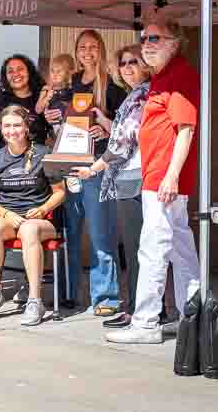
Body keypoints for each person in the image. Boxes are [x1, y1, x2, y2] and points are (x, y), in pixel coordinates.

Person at [106, 17, 200, 344]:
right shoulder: (162, 77)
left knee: (153, 247)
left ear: (175, 42)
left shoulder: (180, 76)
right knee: (180, 248)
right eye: (144, 37)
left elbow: (186, 129)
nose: (147, 43)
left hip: (163, 178)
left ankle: (145, 321)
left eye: (156, 38)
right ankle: (193, 316)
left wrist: (171, 175)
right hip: (159, 176)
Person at [72, 44, 150, 329]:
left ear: (146, 65)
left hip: (139, 178)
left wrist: (94, 167)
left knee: (139, 248)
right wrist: (104, 122)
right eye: (123, 63)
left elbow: (121, 143)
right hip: (128, 179)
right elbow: (119, 134)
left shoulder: (144, 95)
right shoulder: (134, 95)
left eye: (134, 62)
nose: (128, 68)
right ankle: (139, 309)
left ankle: (139, 312)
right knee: (134, 248)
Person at [53, 30, 126, 315]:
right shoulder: (69, 84)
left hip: (97, 167)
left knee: (100, 234)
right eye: (82, 47)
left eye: (93, 47)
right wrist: (52, 117)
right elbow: (56, 117)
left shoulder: (113, 87)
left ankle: (105, 298)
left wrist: (104, 129)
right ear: (76, 51)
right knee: (70, 233)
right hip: (69, 166)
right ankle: (69, 293)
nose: (87, 52)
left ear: (101, 50)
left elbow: (124, 131)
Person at [0, 105, 66, 326]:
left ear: (26, 127)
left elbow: (60, 193)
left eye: (17, 125)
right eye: (7, 126)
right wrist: (7, 214)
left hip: (42, 221)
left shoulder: (43, 154)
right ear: (1, 128)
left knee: (29, 229)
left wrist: (43, 209)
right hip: (10, 218)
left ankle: (35, 300)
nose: (12, 130)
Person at [0, 54, 51, 149]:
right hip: (2, 160)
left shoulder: (41, 99)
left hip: (34, 159)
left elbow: (54, 133)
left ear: (29, 72)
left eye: (20, 69)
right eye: (10, 71)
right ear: (5, 77)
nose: (16, 74)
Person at [35, 54, 76, 136]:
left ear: (68, 73)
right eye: (52, 71)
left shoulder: (72, 89)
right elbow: (38, 109)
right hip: (52, 128)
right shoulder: (46, 89)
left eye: (59, 71)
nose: (55, 74)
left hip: (69, 126)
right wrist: (46, 98)